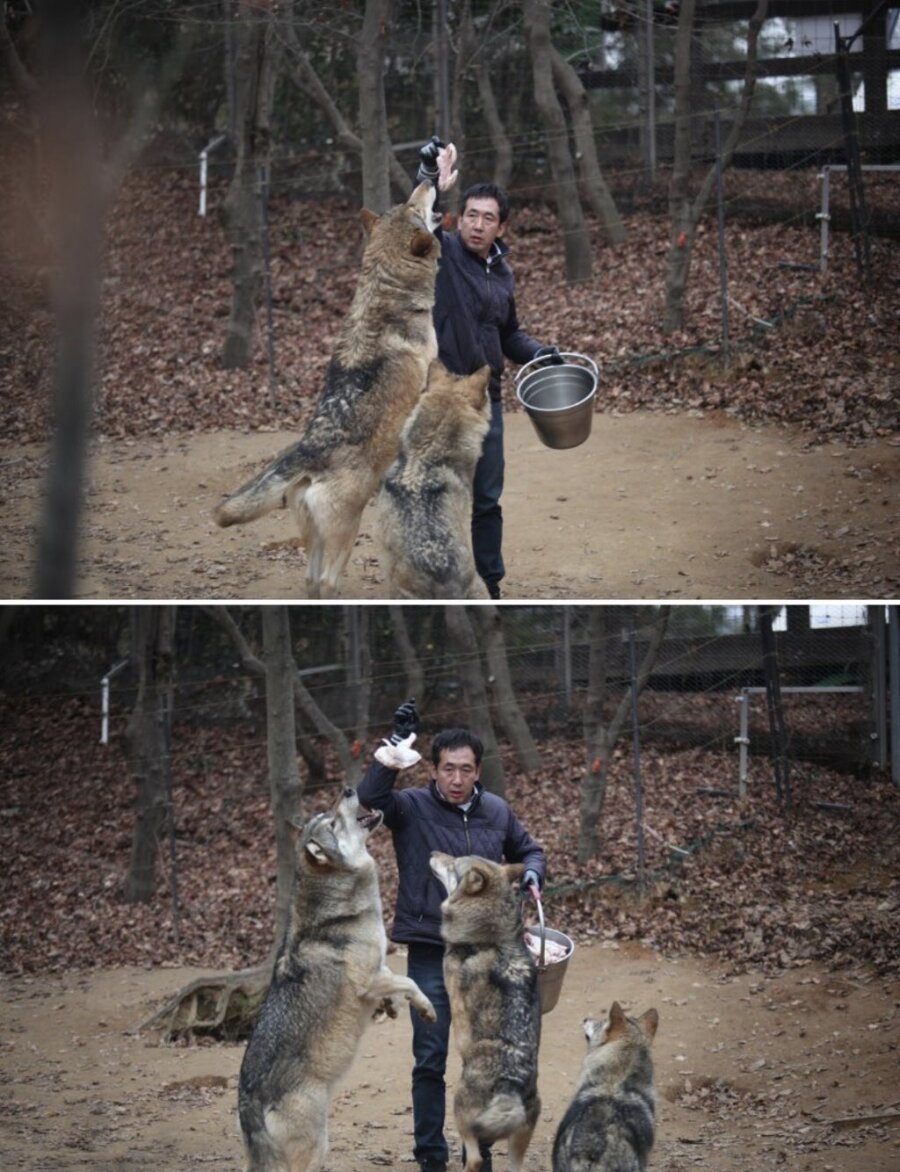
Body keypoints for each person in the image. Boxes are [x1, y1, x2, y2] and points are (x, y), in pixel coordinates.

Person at [357, 698, 546, 1172]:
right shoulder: (411, 807)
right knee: (430, 1059)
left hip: (487, 958)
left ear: (478, 770)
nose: (456, 778)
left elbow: (530, 850)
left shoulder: (497, 811)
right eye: (447, 769)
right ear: (435, 771)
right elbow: (370, 800)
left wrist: (532, 875)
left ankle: (474, 1156)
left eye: (465, 769)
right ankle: (430, 1159)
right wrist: (393, 750)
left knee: (481, 1062)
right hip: (429, 951)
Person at [416, 137, 564, 600]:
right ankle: (432, 580)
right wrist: (429, 179)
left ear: (501, 227)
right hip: (440, 396)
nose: (478, 225)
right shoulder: (443, 251)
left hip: (488, 402)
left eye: (488, 218)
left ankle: (491, 582)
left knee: (486, 500)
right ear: (459, 219)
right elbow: (415, 224)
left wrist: (538, 352)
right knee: (434, 495)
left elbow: (508, 333)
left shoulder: (502, 273)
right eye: (472, 215)